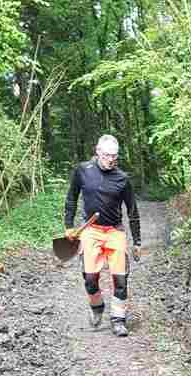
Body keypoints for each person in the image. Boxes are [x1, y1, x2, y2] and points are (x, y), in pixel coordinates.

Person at [64, 134, 142, 337]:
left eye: (114, 156)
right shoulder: (83, 171)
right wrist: (68, 226)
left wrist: (137, 241)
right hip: (91, 231)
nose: (111, 160)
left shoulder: (122, 179)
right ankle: (97, 306)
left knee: (121, 278)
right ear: (98, 151)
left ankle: (118, 320)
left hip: (115, 231)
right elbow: (71, 198)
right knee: (90, 278)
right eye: (107, 155)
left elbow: (132, 211)